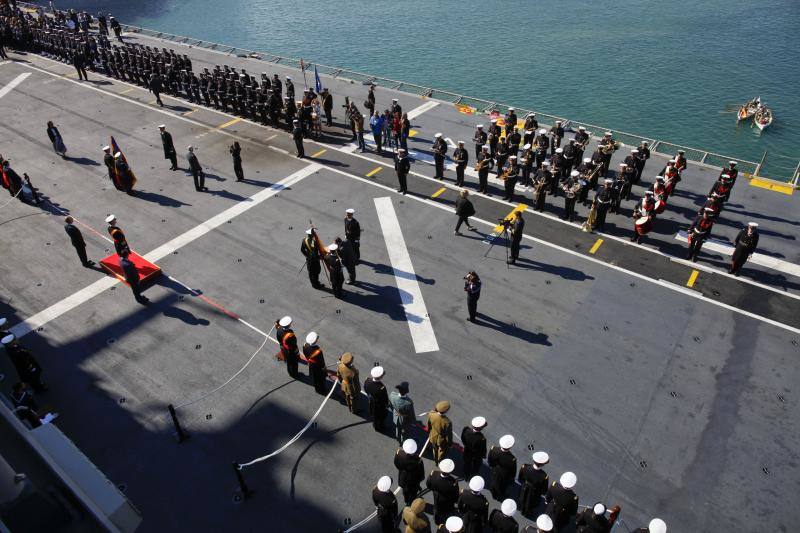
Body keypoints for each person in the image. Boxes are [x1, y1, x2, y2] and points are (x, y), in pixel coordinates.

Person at [427, 459, 459, 526]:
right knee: (446, 512)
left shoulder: (433, 474)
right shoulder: (453, 483)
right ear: (450, 471)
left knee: (436, 509)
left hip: (437, 498)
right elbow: (455, 496)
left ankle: (437, 521)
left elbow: (428, 485)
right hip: (447, 501)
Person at [518, 451, 550, 518]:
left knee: (523, 498)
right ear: (542, 464)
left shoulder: (525, 467)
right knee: (531, 504)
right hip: (535, 493)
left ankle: (522, 509)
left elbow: (520, 479)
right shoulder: (544, 476)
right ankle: (527, 513)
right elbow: (544, 490)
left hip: (525, 487)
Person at [395, 439, 424, 505]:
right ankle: (412, 501)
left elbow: (396, 464)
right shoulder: (418, 461)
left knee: (405, 491)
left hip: (403, 478)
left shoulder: (399, 454)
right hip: (413, 481)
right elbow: (421, 475)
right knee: (413, 493)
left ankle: (406, 500)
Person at [488, 434, 517, 501]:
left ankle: (494, 495)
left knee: (494, 481)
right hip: (505, 474)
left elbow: (490, 460)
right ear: (510, 447)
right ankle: (500, 495)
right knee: (502, 486)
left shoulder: (493, 449)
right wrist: (511, 478)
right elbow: (513, 471)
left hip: (495, 470)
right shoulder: (512, 458)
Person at [364, 366, 389, 432]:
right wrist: (386, 404)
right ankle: (379, 427)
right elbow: (385, 398)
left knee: (374, 414)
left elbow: (366, 389)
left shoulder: (367, 381)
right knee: (380, 417)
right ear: (380, 377)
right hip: (379, 406)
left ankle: (376, 425)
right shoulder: (381, 388)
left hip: (371, 402)